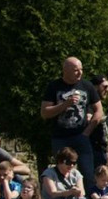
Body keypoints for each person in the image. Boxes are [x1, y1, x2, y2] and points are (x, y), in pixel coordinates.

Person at [41, 56, 102, 189]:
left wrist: (87, 132)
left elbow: (99, 111)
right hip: (60, 138)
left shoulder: (87, 86)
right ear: (65, 70)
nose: (80, 73)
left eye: (81, 69)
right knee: (62, 175)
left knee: (87, 173)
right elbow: (45, 112)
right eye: (75, 70)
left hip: (81, 137)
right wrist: (65, 105)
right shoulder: (54, 86)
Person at [89, 75, 108, 167]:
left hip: (101, 147)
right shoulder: (90, 104)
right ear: (95, 87)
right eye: (105, 87)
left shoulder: (99, 103)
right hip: (93, 148)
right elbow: (89, 119)